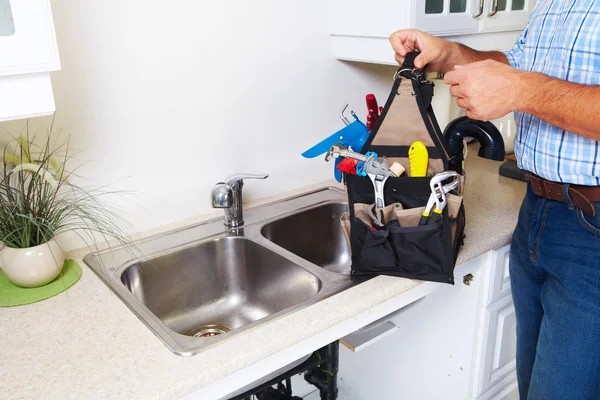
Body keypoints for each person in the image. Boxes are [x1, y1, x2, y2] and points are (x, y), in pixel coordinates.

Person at [390, 2, 600, 399]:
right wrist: (450, 55)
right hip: (537, 211)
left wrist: (521, 90)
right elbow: (517, 64)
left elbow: (522, 83)